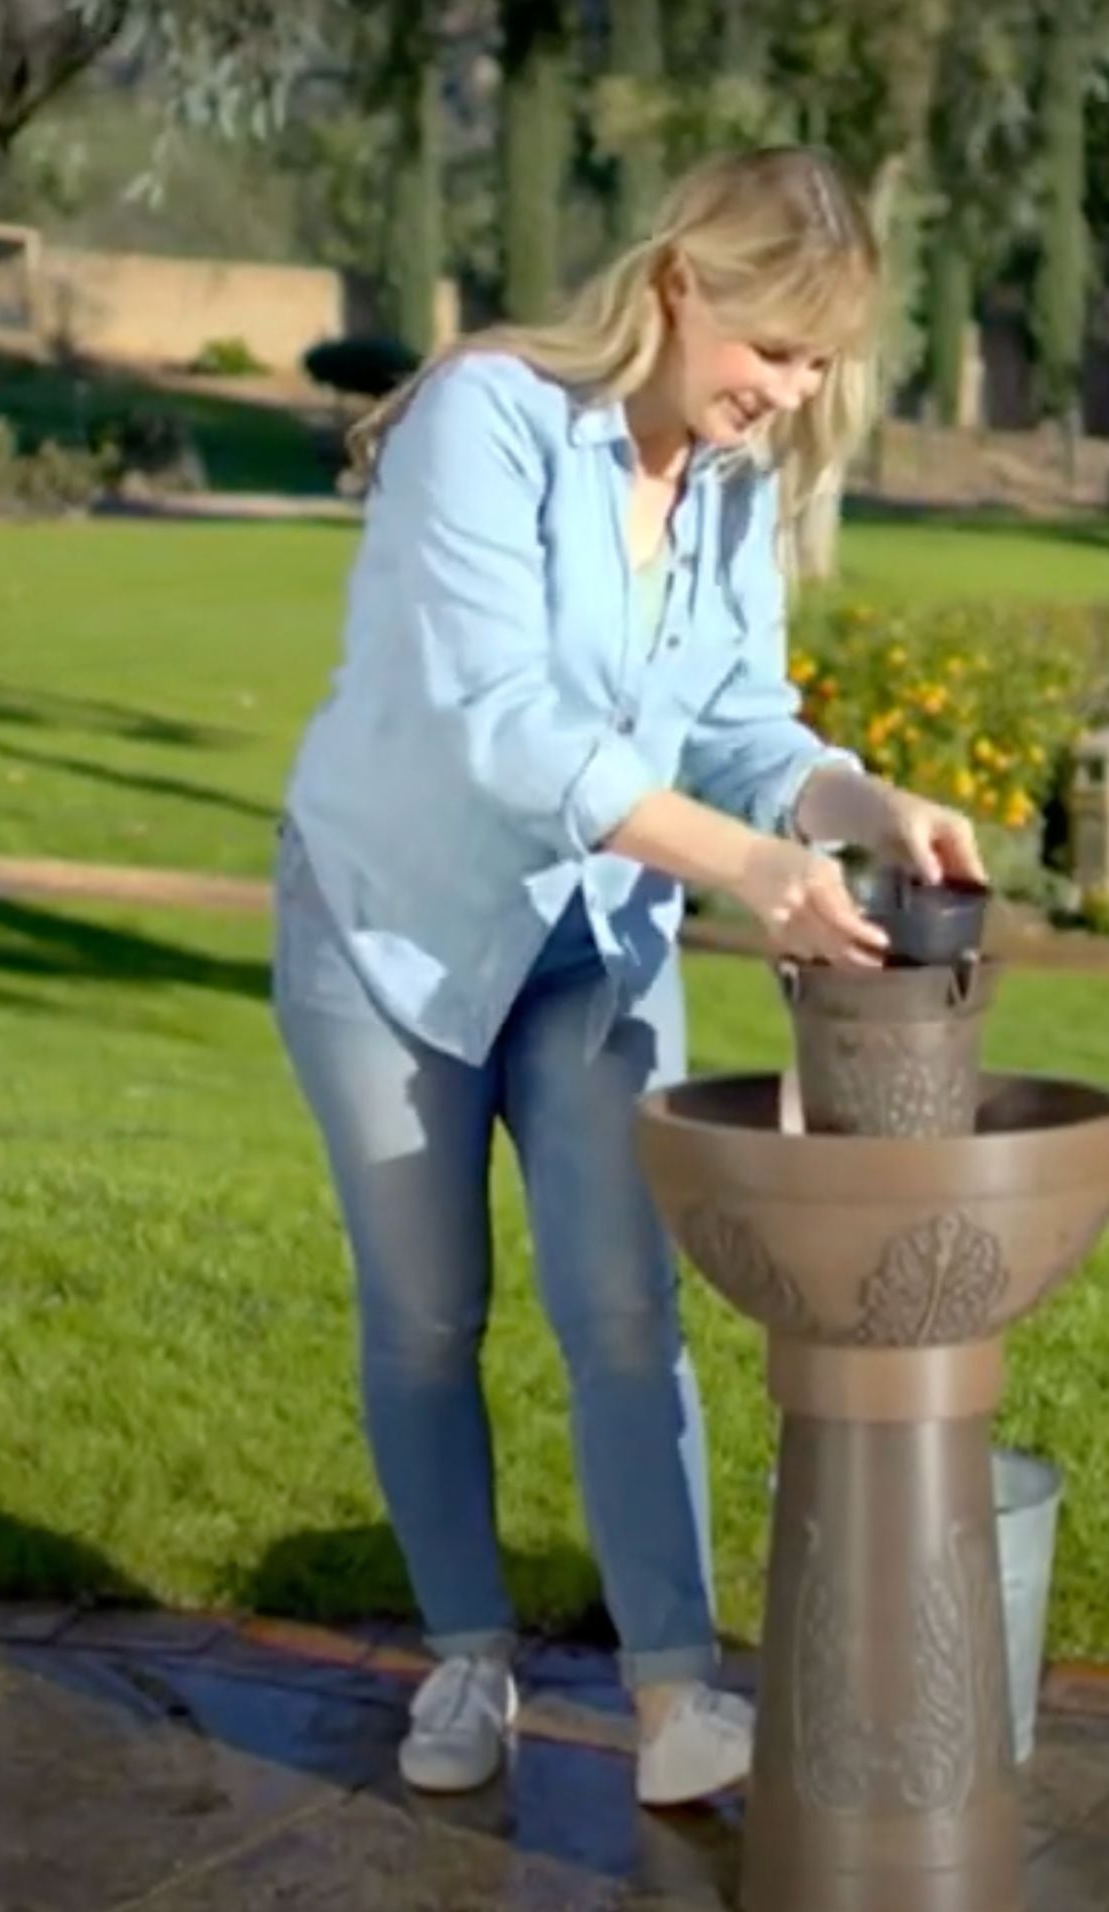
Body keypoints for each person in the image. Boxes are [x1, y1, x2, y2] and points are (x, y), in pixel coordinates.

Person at [271, 145, 984, 1809]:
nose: (788, 392)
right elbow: (503, 723)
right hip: (392, 927)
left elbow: (739, 723)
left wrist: (860, 804)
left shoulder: (729, 489)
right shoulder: (486, 420)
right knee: (427, 1311)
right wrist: (749, 869)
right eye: (773, 348)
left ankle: (674, 1699)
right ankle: (468, 1659)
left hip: (594, 940)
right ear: (678, 283)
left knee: (622, 1307)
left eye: (817, 362)